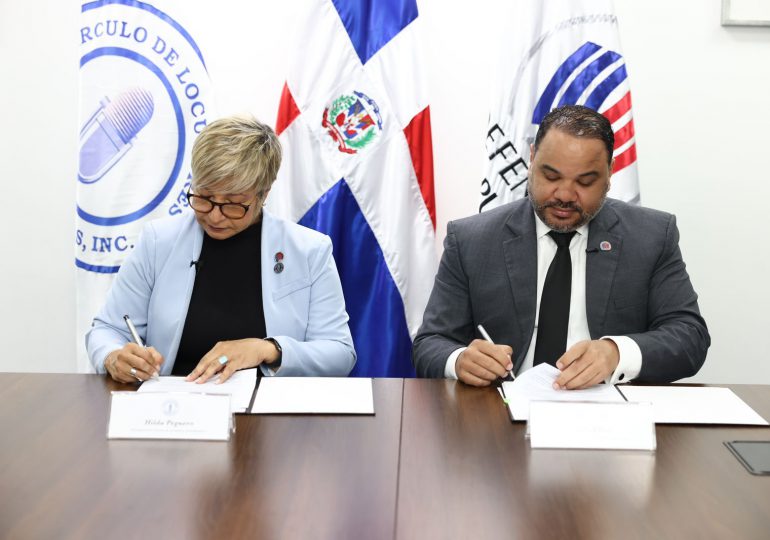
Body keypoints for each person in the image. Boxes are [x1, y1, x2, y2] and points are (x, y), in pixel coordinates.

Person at [413, 105, 709, 389]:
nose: (565, 195)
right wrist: (459, 360)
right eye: (551, 176)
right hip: (501, 409)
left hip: (607, 411)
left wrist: (617, 352)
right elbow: (430, 343)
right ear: (532, 159)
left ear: (609, 173)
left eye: (585, 182)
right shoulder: (471, 240)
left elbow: (690, 337)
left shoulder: (651, 236)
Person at [87, 115, 356, 383]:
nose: (215, 216)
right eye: (204, 197)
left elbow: (340, 354)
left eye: (233, 204)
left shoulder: (309, 251)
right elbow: (107, 330)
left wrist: (268, 349)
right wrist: (113, 356)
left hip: (271, 407)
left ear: (263, 194)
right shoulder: (158, 242)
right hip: (175, 402)